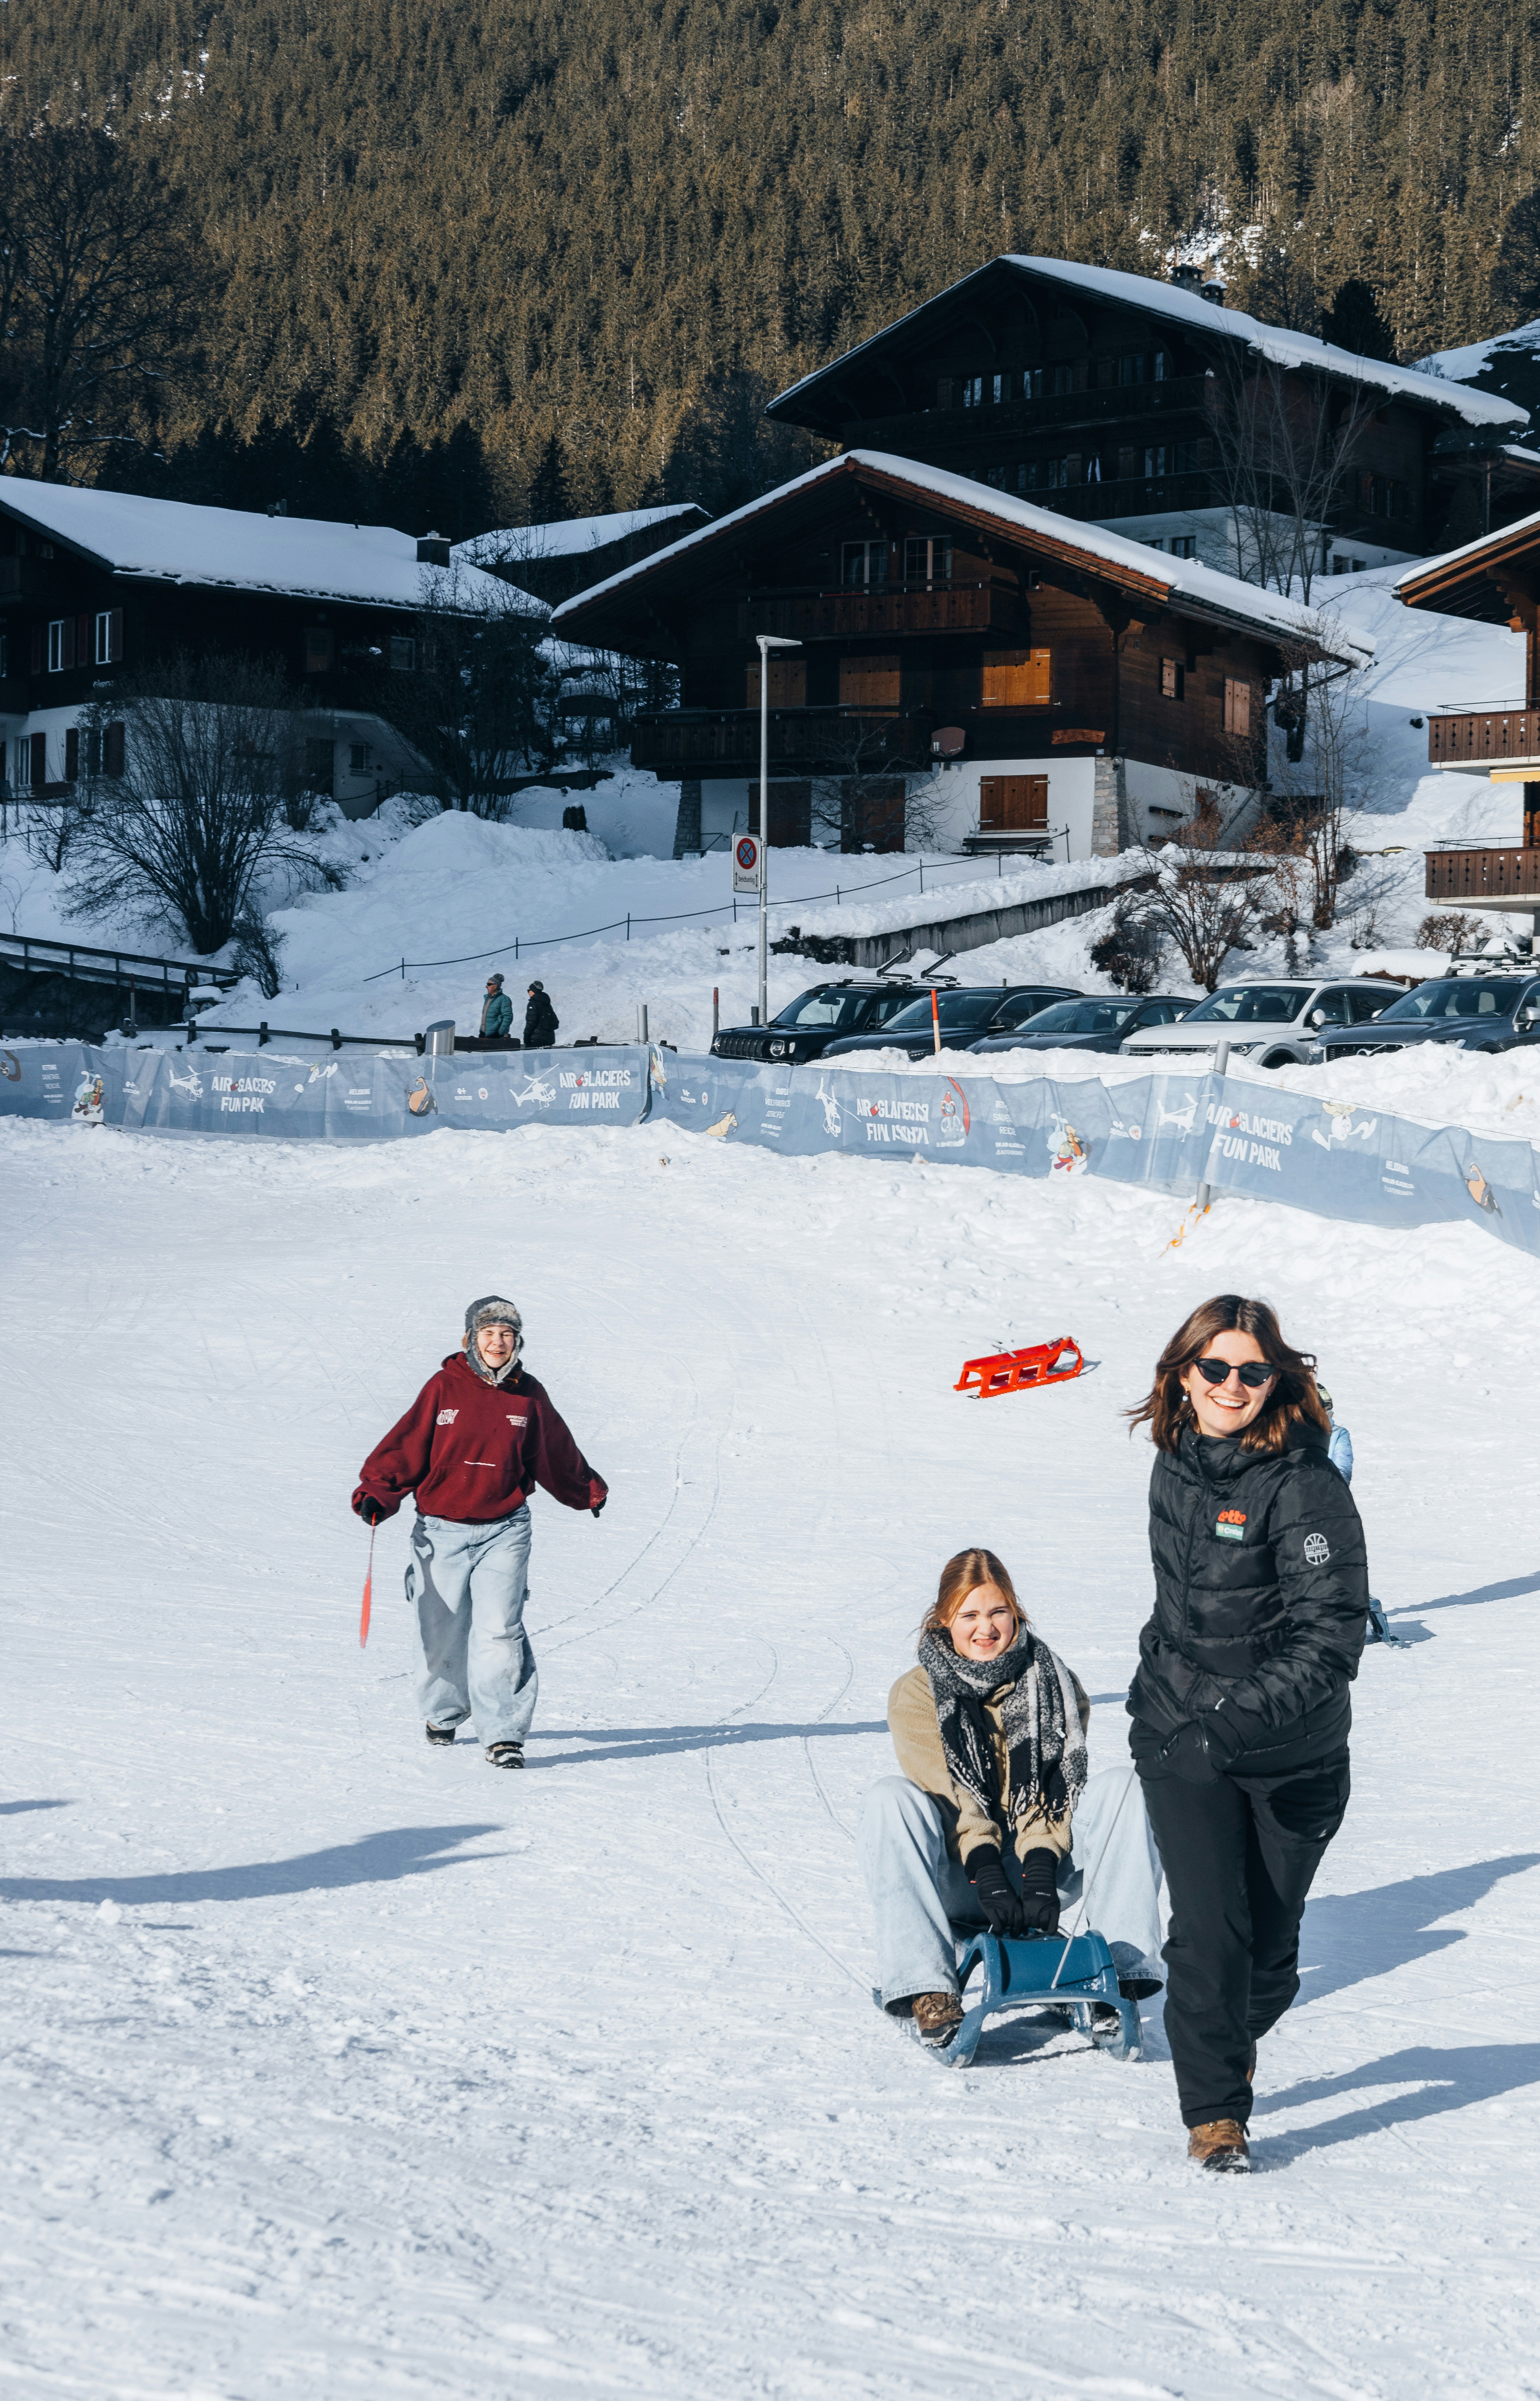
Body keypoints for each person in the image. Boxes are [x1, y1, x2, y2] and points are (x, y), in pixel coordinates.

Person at [1127, 1295, 1367, 2173]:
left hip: (1290, 1755)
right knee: (1207, 1933)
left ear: (1278, 1378)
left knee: (1264, 1956)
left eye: (1251, 1370)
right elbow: (1177, 1605)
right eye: (1214, 1367)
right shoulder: (1173, 1463)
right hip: (1180, 1739)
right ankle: (1216, 2114)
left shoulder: (1306, 1485)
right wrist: (1155, 1692)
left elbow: (1330, 1637)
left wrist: (1229, 1722)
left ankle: (1234, 2026)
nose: (1231, 1385)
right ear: (1181, 1375)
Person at [859, 1547, 1164, 2050]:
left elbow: (1052, 1792)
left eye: (998, 1611)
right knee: (891, 1799)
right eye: (970, 1614)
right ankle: (927, 1987)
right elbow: (954, 1794)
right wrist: (989, 1875)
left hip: (1038, 1870)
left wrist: (1040, 1871)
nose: (986, 1627)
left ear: (1015, 1612)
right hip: (961, 1871)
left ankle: (1119, 1978)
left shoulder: (1058, 1685)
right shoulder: (915, 1692)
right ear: (944, 1619)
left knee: (1127, 1785)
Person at [352, 1296, 607, 1768]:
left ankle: (503, 1734)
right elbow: (407, 1445)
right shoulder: (443, 1388)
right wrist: (378, 1491)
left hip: (505, 1530)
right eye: (488, 1332)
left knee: (499, 1632)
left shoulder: (528, 1395)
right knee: (441, 1630)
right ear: (470, 1339)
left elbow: (554, 1452)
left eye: (507, 1334)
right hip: (441, 1530)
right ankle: (444, 1713)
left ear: (517, 1341)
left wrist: (585, 1490)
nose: (498, 1341)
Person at [524, 980, 558, 1048]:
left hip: (535, 1039)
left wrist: (527, 1037)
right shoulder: (547, 1003)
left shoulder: (533, 1003)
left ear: (533, 992)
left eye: (529, 991)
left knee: (528, 1059)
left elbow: (531, 1022)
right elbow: (555, 1022)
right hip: (549, 1040)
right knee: (545, 1059)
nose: (528, 993)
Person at [480, 974, 514, 1042]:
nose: (487, 986)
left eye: (489, 984)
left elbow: (508, 1017)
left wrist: (500, 1033)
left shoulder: (504, 999)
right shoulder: (489, 998)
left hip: (495, 1036)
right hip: (484, 1034)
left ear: (495, 986)